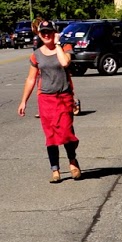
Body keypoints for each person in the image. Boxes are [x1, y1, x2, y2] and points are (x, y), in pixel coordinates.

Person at [18, 20, 81, 183]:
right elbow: (31, 79)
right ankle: (55, 169)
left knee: (66, 132)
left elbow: (65, 62)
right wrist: (23, 101)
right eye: (43, 32)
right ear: (39, 34)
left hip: (64, 97)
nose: (46, 34)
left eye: (49, 31)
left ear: (55, 32)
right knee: (50, 135)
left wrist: (58, 43)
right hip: (46, 99)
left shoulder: (65, 48)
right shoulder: (36, 54)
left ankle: (73, 162)